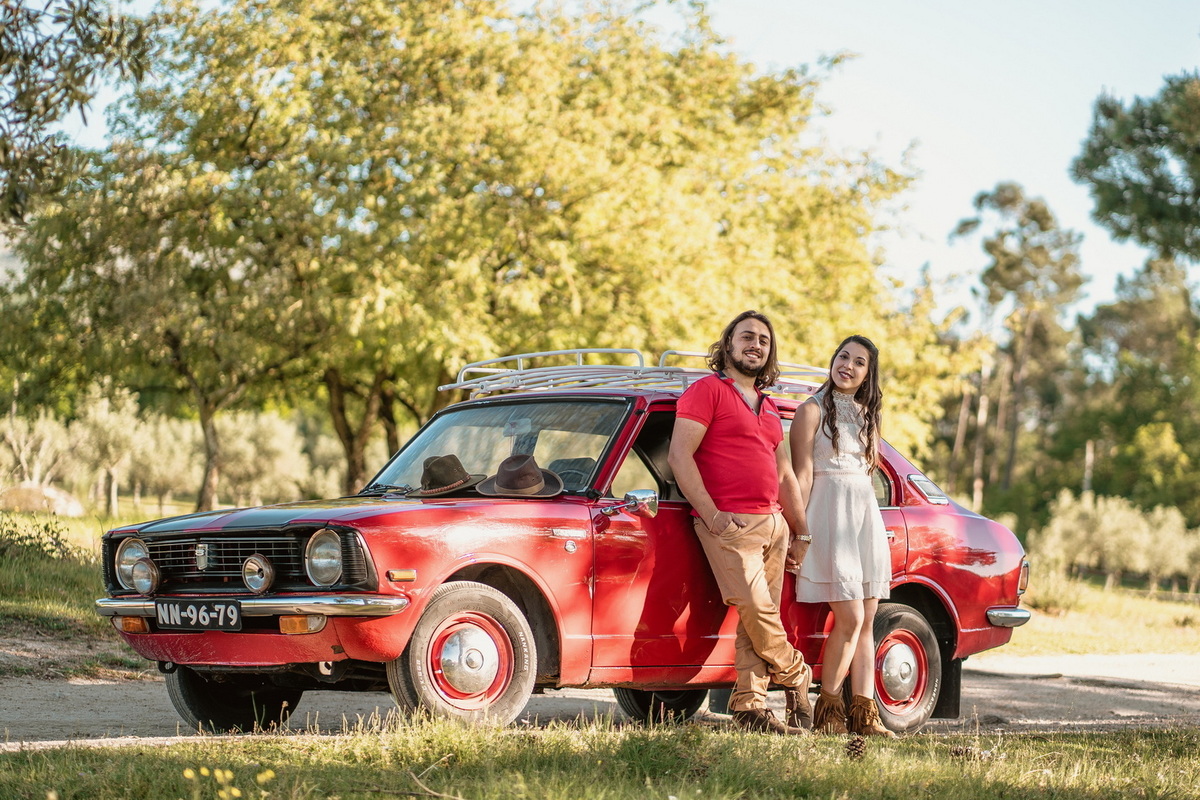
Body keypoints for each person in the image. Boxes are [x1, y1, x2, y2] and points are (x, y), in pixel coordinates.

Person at [668, 310, 813, 735]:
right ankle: (798, 672)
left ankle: (751, 706)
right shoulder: (707, 391)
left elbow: (785, 476)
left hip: (774, 525)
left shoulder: (768, 406)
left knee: (756, 623)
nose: (755, 345)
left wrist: (801, 531)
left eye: (763, 340)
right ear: (728, 344)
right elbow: (679, 455)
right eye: (747, 336)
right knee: (755, 607)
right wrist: (712, 515)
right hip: (729, 524)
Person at [789, 334, 896, 738]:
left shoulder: (869, 416)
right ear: (833, 360)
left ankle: (865, 716)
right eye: (843, 357)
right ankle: (829, 710)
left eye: (859, 362)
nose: (847, 365)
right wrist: (799, 532)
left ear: (868, 374)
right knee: (849, 618)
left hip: (863, 521)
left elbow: (866, 476)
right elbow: (801, 476)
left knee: (866, 621)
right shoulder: (810, 411)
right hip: (828, 519)